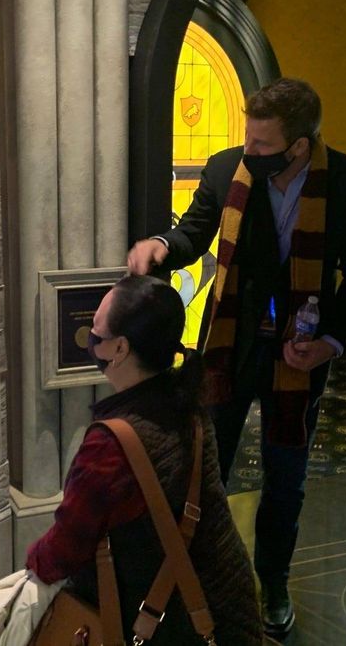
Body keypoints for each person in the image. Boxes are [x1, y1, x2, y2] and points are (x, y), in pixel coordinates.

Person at [127, 77, 346, 636]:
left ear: (300, 145)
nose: (249, 152)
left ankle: (274, 580)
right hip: (230, 345)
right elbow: (194, 231)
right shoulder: (225, 169)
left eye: (262, 145)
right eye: (248, 138)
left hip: (302, 351)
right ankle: (197, 576)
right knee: (205, 465)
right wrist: (162, 246)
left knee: (285, 475)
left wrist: (330, 343)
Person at [26, 275, 263, 644]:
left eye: (97, 332)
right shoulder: (188, 403)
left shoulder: (110, 445)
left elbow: (63, 550)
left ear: (119, 349)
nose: (90, 337)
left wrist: (28, 568)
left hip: (178, 625)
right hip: (227, 604)